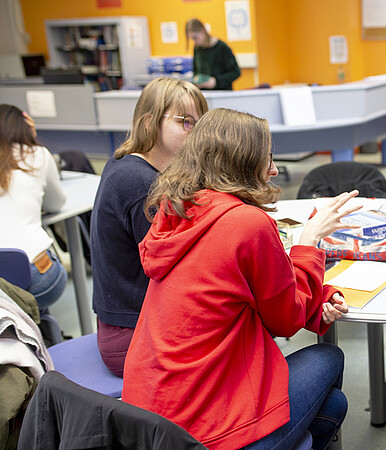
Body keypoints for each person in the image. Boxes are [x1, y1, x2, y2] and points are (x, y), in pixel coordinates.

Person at [122, 108, 359, 449]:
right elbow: (285, 320)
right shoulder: (248, 223)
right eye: (267, 159)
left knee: (333, 406)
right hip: (205, 428)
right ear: (242, 163)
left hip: (149, 416)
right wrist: (308, 243)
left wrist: (308, 289)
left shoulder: (176, 209)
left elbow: (231, 291)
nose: (275, 170)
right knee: (329, 357)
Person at [90, 77, 208, 377]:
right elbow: (174, 272)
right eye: (186, 122)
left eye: (200, 123)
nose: (196, 133)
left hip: (125, 324)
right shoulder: (142, 184)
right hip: (132, 336)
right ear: (149, 122)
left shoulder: (126, 164)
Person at [0, 104, 67, 310]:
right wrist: (33, 138)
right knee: (45, 277)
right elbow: (57, 203)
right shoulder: (37, 155)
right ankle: (37, 330)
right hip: (33, 275)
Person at [186, 18, 240, 90]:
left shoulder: (222, 48)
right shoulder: (197, 48)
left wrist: (216, 82)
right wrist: (196, 79)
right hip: (204, 93)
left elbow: (235, 72)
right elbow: (195, 71)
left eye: (195, 37)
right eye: (191, 39)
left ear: (203, 31)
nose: (194, 41)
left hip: (222, 93)